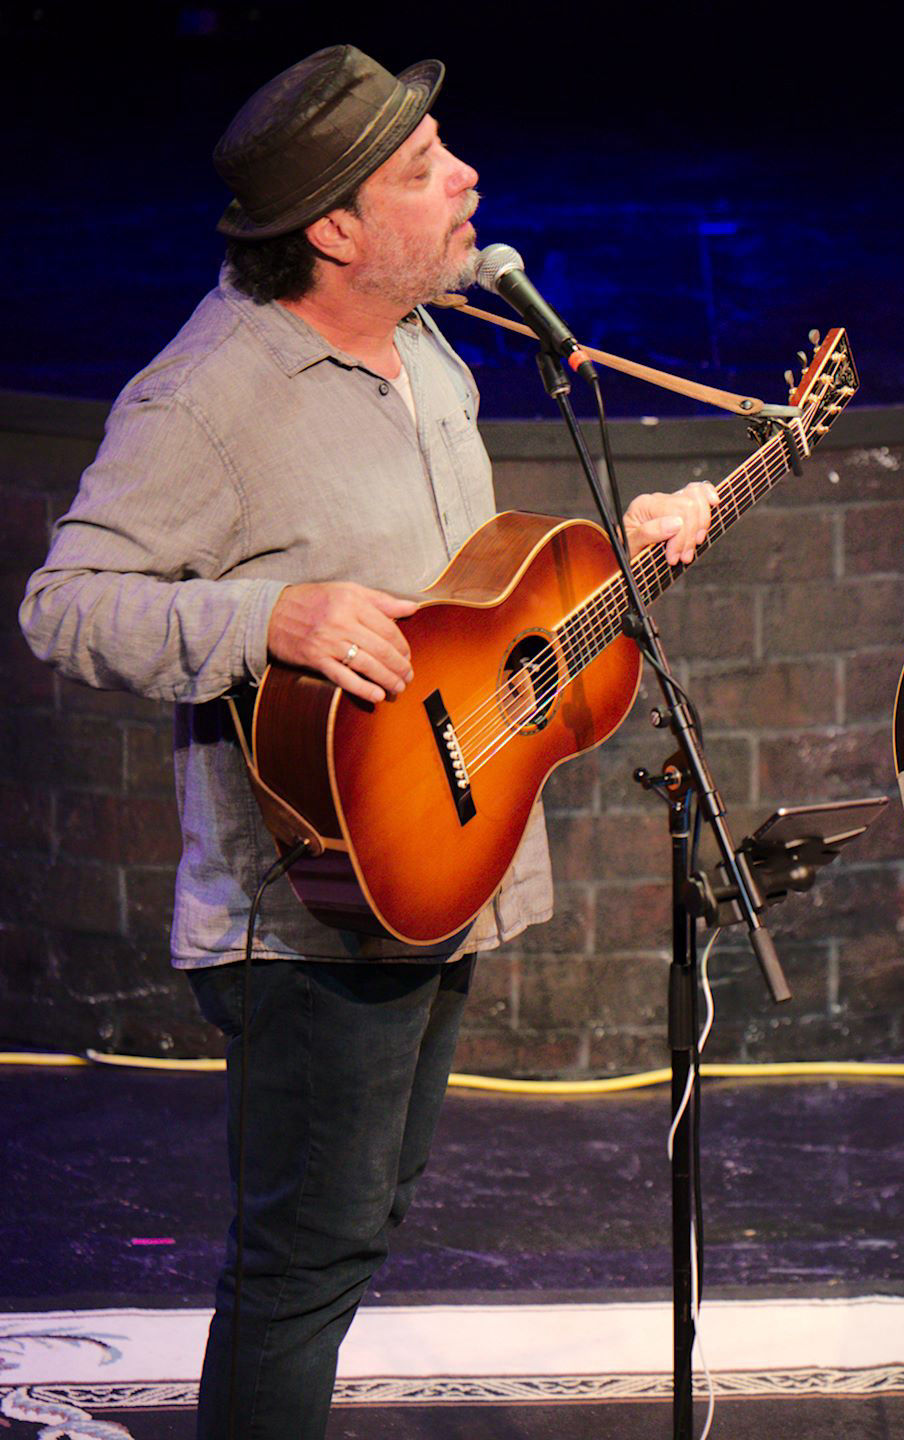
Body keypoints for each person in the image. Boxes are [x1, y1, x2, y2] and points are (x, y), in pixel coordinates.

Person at [18, 45, 717, 1440]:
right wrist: (271, 614)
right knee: (303, 1260)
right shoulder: (205, 398)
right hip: (310, 908)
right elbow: (65, 604)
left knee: (357, 1230)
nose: (468, 181)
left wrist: (615, 574)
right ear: (333, 227)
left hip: (431, 859)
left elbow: (463, 605)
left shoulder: (433, 350)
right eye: (423, 169)